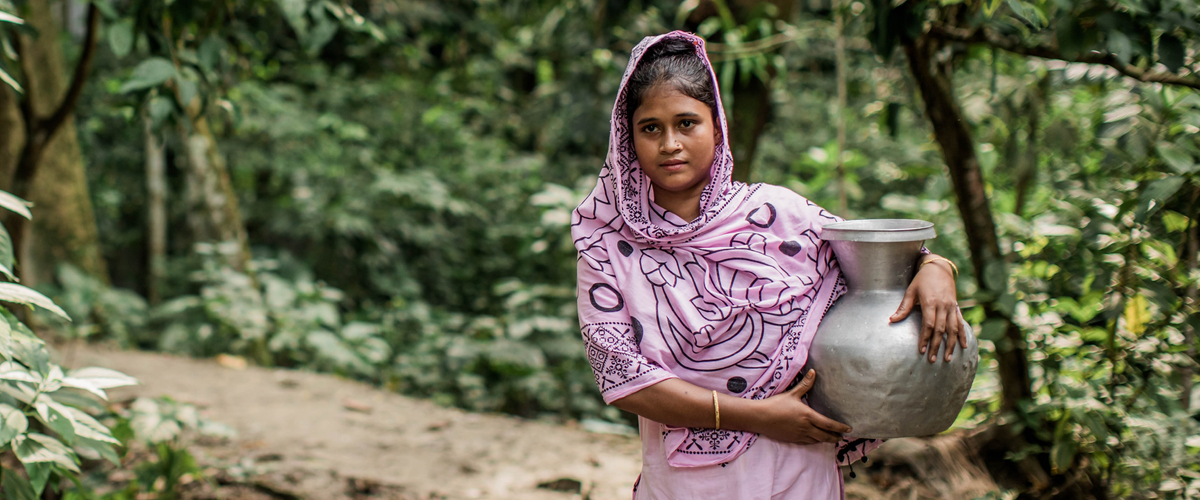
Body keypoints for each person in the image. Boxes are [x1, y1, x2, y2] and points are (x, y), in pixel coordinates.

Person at [571, 31, 966, 499]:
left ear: (717, 127)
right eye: (650, 128)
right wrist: (759, 416)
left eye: (686, 123)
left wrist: (938, 269)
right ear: (628, 139)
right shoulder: (606, 245)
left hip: (800, 470)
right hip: (688, 484)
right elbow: (625, 381)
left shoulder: (780, 215)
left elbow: (883, 262)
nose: (670, 143)